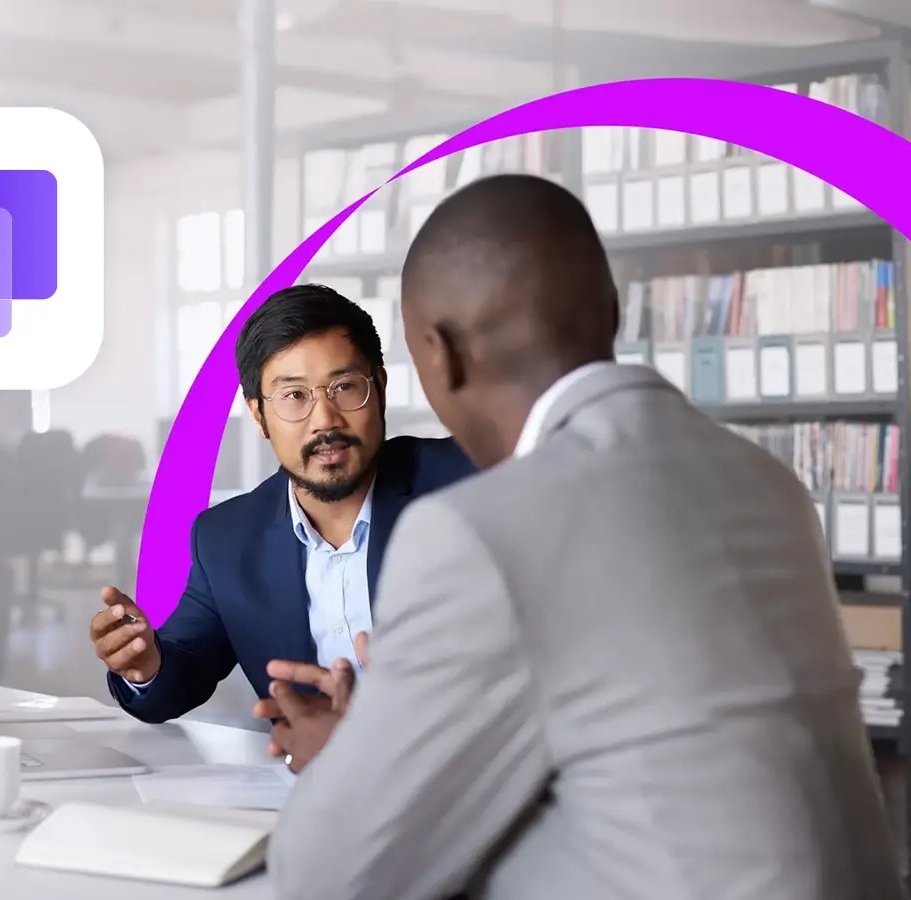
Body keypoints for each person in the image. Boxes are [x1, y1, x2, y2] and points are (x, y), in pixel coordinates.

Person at [264, 174, 906, 899]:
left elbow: (329, 875)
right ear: (613, 308)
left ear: (438, 354)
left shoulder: (478, 532)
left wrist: (356, 760)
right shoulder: (769, 483)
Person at [89, 284, 475, 724]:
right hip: (316, 787)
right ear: (257, 415)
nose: (325, 419)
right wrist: (144, 666)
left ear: (380, 388)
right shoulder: (227, 539)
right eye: (294, 396)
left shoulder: (468, 478)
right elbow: (182, 672)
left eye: (345, 387)